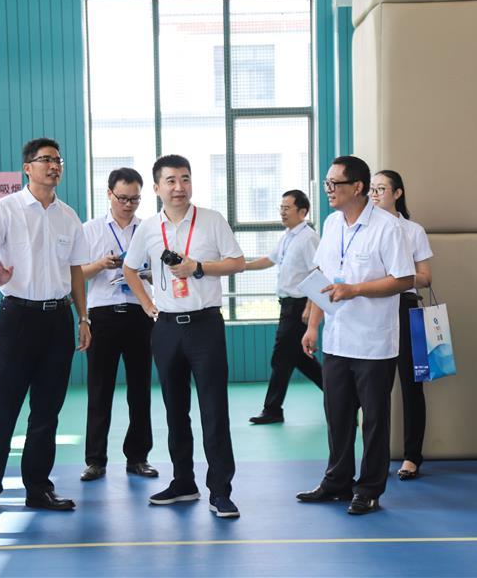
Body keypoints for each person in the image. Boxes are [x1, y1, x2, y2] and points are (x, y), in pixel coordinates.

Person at [0, 137, 91, 517]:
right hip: (18, 317)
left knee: (47, 410)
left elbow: (76, 270)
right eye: (46, 160)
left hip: (58, 319)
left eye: (58, 160)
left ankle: (38, 487)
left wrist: (83, 317)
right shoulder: (5, 209)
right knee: (4, 405)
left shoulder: (68, 216)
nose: (54, 166)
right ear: (28, 168)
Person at [123, 154, 245, 519]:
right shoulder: (148, 228)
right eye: (171, 181)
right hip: (166, 328)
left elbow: (237, 262)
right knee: (175, 411)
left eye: (185, 179)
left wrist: (199, 268)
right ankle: (183, 482)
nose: (179, 187)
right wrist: (148, 305)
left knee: (213, 410)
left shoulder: (211, 220)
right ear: (157, 187)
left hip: (205, 325)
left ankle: (220, 491)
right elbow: (130, 269)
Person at [298, 156, 414, 515]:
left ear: (358, 187)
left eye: (335, 183)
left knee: (374, 422)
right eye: (327, 183)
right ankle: (336, 482)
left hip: (374, 343)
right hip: (337, 340)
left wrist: (356, 289)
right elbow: (322, 277)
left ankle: (369, 489)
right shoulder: (332, 224)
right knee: (338, 416)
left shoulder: (387, 227)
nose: (328, 190)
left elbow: (404, 279)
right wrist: (313, 325)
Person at [79, 167, 157, 482]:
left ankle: (138, 457)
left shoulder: (149, 229)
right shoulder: (90, 230)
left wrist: (143, 272)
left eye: (134, 199)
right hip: (103, 315)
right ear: (109, 194)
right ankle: (95, 460)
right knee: (100, 390)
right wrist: (101, 264)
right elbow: (75, 275)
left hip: (140, 313)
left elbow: (159, 274)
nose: (128, 205)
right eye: (122, 198)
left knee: (140, 390)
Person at [369, 170, 433, 480]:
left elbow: (426, 278)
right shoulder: (363, 228)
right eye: (371, 188)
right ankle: (373, 459)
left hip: (405, 308)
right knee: (373, 387)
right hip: (372, 309)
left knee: (411, 385)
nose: (374, 194)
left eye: (381, 188)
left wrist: (398, 277)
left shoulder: (413, 230)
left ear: (397, 193)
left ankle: (411, 457)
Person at [243, 190, 323, 425]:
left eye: (287, 208)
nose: (282, 212)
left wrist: (310, 306)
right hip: (287, 305)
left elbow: (317, 273)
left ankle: (272, 409)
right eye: (281, 208)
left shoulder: (308, 238)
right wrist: (241, 266)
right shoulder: (288, 236)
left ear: (302, 212)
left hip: (299, 306)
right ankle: (346, 397)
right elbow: (269, 259)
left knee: (280, 358)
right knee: (299, 359)